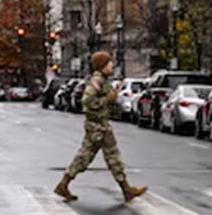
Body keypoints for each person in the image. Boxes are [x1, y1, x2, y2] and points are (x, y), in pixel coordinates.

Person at [54, 51, 147, 203]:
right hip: (99, 126)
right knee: (111, 157)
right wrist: (106, 100)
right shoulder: (97, 80)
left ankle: (64, 184)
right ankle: (126, 190)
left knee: (86, 156)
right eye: (109, 62)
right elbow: (87, 101)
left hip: (98, 125)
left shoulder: (102, 79)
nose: (112, 65)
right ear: (102, 65)